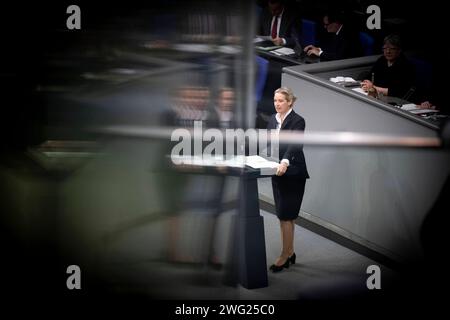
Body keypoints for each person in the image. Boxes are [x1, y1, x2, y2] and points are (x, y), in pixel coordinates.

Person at [267, 87, 309, 272]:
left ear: (290, 102)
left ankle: (284, 256)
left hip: (293, 172)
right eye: (275, 100)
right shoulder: (272, 119)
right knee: (284, 216)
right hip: (276, 171)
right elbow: (269, 143)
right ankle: (290, 252)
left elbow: (295, 145)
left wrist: (284, 161)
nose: (277, 104)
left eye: (281, 101)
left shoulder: (298, 121)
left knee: (286, 216)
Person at [361, 34, 415, 99]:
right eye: (385, 48)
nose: (388, 51)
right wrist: (367, 82)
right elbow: (369, 76)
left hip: (393, 100)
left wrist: (374, 88)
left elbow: (398, 91)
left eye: (392, 49)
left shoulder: (405, 65)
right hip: (377, 96)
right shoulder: (382, 60)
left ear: (399, 50)